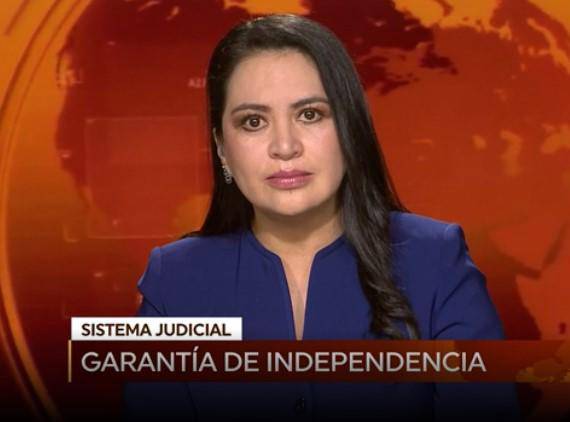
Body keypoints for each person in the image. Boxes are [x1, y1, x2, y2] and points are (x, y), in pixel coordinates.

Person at [123, 14, 521, 422]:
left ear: (349, 127)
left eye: (310, 114)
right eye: (253, 122)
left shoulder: (435, 260)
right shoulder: (173, 279)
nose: (285, 146)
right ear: (222, 148)